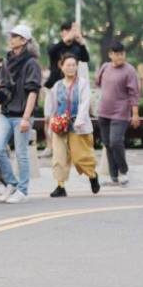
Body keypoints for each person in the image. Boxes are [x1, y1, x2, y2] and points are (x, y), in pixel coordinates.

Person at [0, 24, 42, 203]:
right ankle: (11, 183)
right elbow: (5, 88)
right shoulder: (7, 60)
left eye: (14, 36)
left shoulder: (31, 63)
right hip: (6, 113)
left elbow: (33, 92)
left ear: (23, 40)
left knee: (21, 153)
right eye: (10, 36)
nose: (10, 39)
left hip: (22, 115)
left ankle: (22, 191)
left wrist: (26, 118)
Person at [44, 55, 100, 197]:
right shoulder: (57, 86)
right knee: (59, 157)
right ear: (61, 67)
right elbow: (52, 106)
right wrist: (51, 122)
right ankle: (60, 186)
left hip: (77, 125)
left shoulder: (82, 83)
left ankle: (92, 175)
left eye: (73, 65)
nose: (71, 68)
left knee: (80, 157)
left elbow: (85, 103)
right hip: (60, 125)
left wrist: (79, 120)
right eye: (68, 65)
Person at [95, 42, 141, 186]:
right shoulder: (105, 67)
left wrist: (135, 114)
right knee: (108, 145)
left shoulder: (129, 70)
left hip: (120, 113)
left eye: (122, 54)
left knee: (115, 141)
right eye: (117, 54)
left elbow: (134, 93)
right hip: (103, 112)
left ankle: (123, 171)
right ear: (110, 55)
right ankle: (113, 176)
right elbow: (97, 83)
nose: (120, 56)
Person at [46, 21, 90, 90]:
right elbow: (50, 52)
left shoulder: (77, 47)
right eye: (68, 30)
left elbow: (85, 59)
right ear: (61, 33)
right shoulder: (56, 46)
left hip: (71, 86)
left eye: (72, 31)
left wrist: (81, 41)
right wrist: (65, 40)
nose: (71, 33)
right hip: (54, 85)